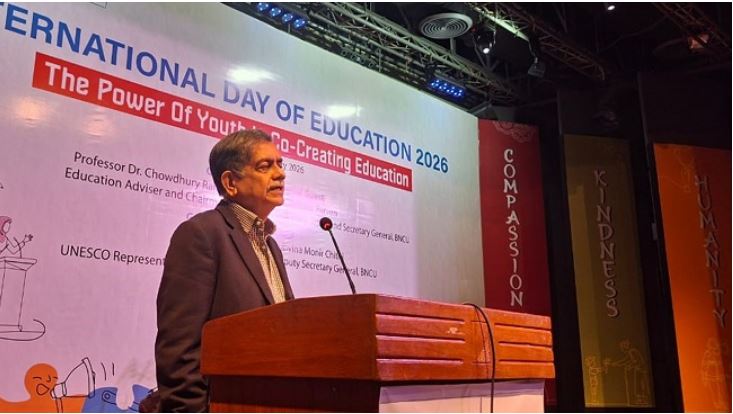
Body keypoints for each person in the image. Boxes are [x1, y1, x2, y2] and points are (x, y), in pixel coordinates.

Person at [155, 129, 295, 412]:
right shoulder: (202, 234)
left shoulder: (271, 246)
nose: (280, 174)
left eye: (280, 164)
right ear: (231, 182)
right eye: (265, 166)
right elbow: (179, 348)